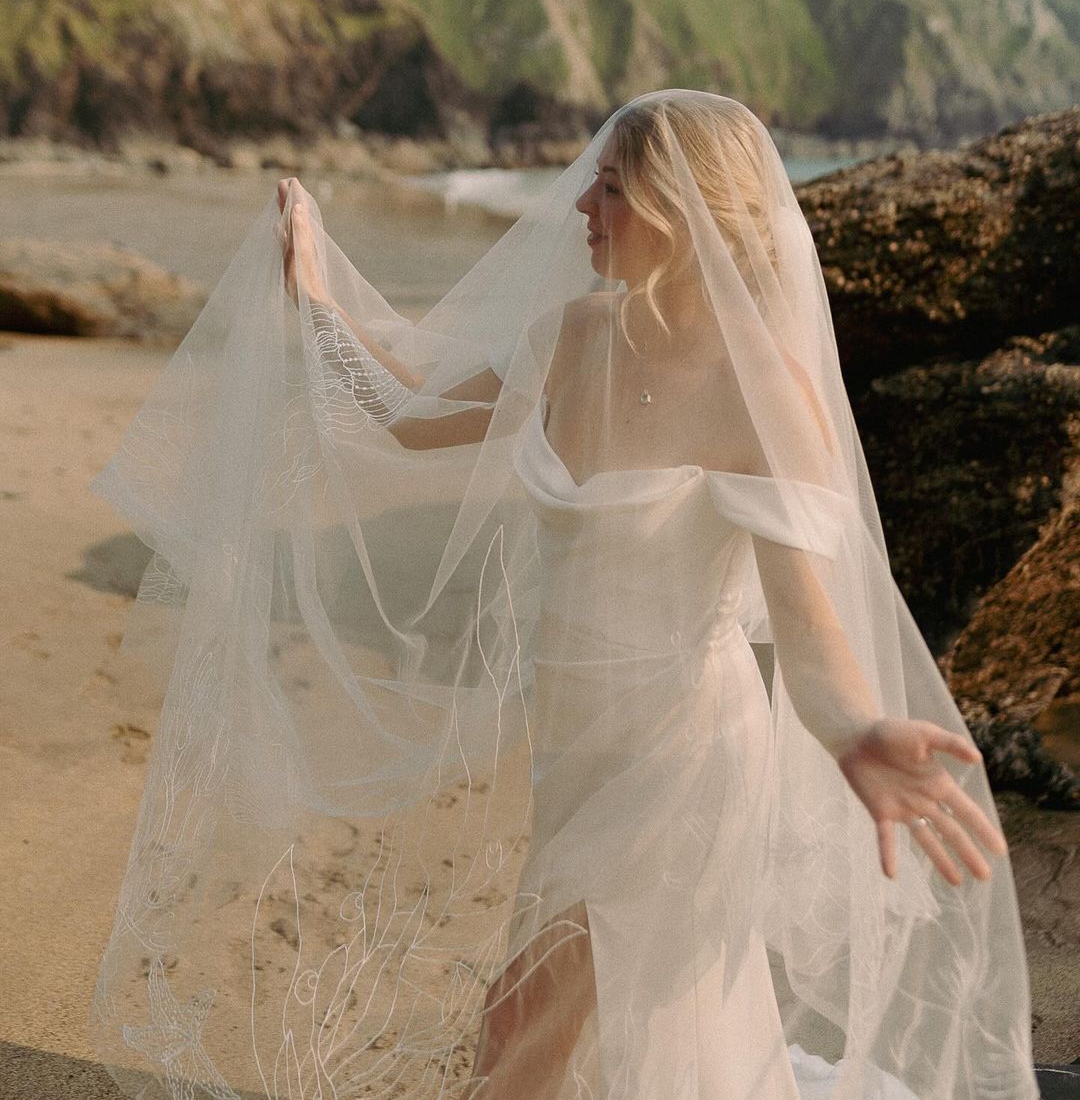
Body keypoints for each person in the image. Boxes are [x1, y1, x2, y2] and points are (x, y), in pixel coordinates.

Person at [87, 90, 1040, 1099]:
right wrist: (321, 296)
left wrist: (854, 732)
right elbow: (408, 414)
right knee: (620, 1042)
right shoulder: (576, 336)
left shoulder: (760, 394)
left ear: (687, 212)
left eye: (615, 186)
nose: (583, 199)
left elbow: (808, 633)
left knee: (521, 1031)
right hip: (576, 752)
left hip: (682, 766)